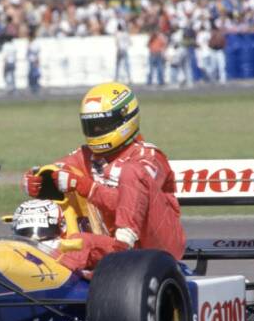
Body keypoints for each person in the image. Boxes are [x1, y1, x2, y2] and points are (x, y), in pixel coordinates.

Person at [20, 82, 186, 270]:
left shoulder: (149, 158)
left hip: (159, 248)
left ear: (126, 118)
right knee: (77, 243)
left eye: (102, 124)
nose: (96, 131)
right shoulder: (86, 156)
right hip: (111, 245)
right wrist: (37, 181)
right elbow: (58, 169)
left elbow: (133, 203)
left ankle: (122, 247)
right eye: (91, 125)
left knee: (131, 173)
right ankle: (33, 270)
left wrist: (87, 187)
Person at [0, 160, 143, 273]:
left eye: (41, 229)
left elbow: (124, 252)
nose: (34, 237)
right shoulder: (9, 248)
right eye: (25, 230)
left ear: (60, 227)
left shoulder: (77, 244)